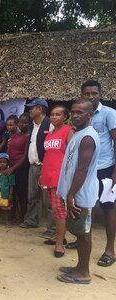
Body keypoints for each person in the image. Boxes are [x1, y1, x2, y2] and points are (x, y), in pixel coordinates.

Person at [57, 99, 99, 284]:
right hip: (74, 193)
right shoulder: (79, 133)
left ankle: (84, 273)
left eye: (80, 112)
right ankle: (79, 267)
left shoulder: (88, 137)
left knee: (84, 233)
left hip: (81, 194)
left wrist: (71, 194)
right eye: (73, 112)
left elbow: (82, 169)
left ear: (90, 114)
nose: (75, 116)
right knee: (80, 231)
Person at [81, 80, 116, 266]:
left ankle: (110, 249)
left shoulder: (109, 114)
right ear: (82, 95)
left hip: (105, 168)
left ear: (100, 94)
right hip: (86, 169)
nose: (91, 97)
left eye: (94, 93)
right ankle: (82, 241)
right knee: (86, 205)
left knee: (108, 207)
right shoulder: (82, 115)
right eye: (87, 94)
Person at [39, 106, 74, 257]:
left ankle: (60, 244)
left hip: (59, 177)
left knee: (60, 210)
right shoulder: (50, 133)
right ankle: (60, 237)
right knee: (54, 209)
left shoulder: (68, 131)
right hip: (47, 175)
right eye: (52, 114)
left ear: (65, 117)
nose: (54, 117)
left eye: (58, 115)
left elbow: (72, 155)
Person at [20, 98, 56, 240]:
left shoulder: (50, 125)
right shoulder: (34, 125)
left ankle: (52, 228)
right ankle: (31, 221)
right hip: (33, 166)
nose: (30, 110)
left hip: (45, 166)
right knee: (32, 196)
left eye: (32, 108)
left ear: (40, 109)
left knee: (48, 199)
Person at [3, 114, 30, 222]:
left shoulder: (28, 137)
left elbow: (25, 155)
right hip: (11, 167)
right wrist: (7, 164)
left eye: (25, 123)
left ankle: (22, 216)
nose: (22, 125)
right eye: (20, 122)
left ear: (29, 124)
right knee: (12, 193)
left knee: (22, 193)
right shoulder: (14, 136)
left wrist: (12, 168)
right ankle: (13, 214)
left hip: (22, 169)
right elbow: (9, 151)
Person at [0, 153, 15, 227]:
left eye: (4, 162)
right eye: (0, 162)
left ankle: (6, 221)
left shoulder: (10, 173)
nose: (2, 164)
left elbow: (11, 184)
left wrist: (10, 194)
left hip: (5, 193)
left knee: (6, 208)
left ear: (8, 163)